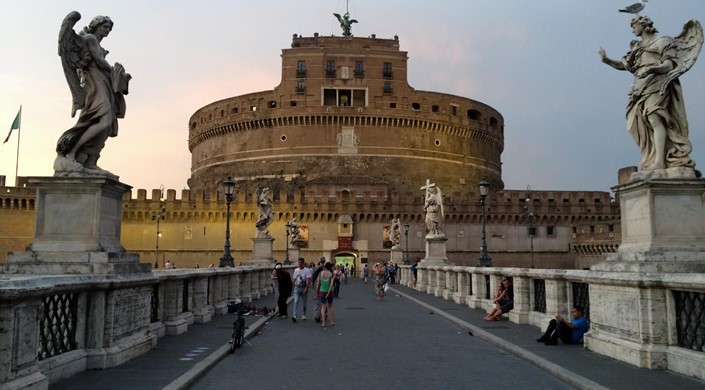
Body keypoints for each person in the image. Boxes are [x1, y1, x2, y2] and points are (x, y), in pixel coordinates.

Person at [599, 16, 702, 175]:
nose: (633, 29)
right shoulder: (637, 47)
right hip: (640, 87)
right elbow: (625, 65)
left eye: (634, 26)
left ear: (643, 25)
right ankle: (653, 157)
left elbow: (669, 65)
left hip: (658, 83)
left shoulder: (663, 41)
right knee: (641, 122)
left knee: (654, 117)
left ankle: (660, 161)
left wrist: (652, 69)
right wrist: (606, 60)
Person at [56, 13, 131, 177]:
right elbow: (99, 61)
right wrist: (117, 71)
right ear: (97, 25)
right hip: (95, 84)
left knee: (107, 122)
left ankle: (90, 160)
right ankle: (71, 153)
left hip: (104, 82)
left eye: (110, 28)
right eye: (105, 27)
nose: (108, 31)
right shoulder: (89, 39)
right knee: (103, 120)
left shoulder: (94, 42)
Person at [291, 257, 312, 322]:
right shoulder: (296, 270)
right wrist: (292, 286)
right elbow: (294, 279)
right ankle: (294, 316)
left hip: (304, 287)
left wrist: (306, 288)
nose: (299, 264)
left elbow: (308, 280)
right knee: (296, 301)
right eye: (299, 262)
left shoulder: (307, 270)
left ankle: (303, 314)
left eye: (300, 263)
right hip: (297, 288)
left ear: (303, 263)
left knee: (304, 303)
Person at [316, 262, 335, 328]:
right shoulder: (331, 274)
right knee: (330, 307)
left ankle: (323, 322)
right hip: (329, 292)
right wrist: (328, 293)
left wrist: (317, 292)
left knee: (323, 308)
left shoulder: (320, 273)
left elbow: (318, 283)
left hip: (322, 291)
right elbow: (331, 285)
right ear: (330, 267)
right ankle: (332, 321)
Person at [311, 257, 326, 323]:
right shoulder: (325, 268)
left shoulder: (316, 268)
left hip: (316, 284)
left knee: (317, 301)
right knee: (324, 300)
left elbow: (313, 276)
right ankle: (322, 315)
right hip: (323, 285)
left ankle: (317, 315)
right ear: (324, 261)